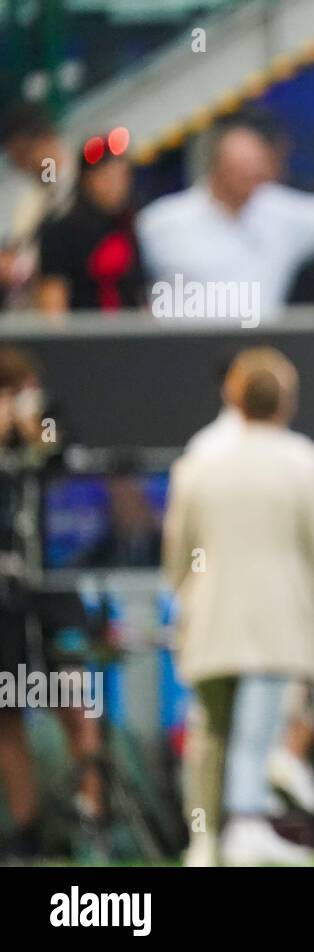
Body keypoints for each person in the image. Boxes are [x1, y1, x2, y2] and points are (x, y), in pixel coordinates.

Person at [164, 347, 314, 866]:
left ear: (233, 397)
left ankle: (205, 841)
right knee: (258, 728)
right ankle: (247, 824)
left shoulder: (197, 462)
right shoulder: (308, 464)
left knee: (212, 730)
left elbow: (176, 556)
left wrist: (188, 601)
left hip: (210, 621)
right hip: (278, 624)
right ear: (287, 402)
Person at [136, 110, 314, 321]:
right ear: (218, 169)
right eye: (241, 171)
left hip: (258, 355)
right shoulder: (161, 223)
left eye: (257, 169)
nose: (253, 179)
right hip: (178, 358)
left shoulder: (277, 211)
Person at [0, 347, 106, 861]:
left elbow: (67, 465)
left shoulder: (51, 421)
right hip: (4, 595)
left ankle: (91, 818)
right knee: (6, 710)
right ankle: (26, 829)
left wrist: (30, 426)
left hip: (56, 587)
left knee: (75, 700)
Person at [36, 135, 145, 316]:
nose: (117, 185)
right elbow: (53, 303)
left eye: (123, 176)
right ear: (87, 179)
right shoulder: (60, 230)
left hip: (129, 337)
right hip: (84, 337)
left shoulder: (129, 226)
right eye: (107, 176)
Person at [0, 105, 76, 311]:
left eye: (25, 155)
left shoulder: (82, 185)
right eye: (16, 161)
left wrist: (18, 268)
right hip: (27, 309)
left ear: (47, 140)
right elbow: (18, 246)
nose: (24, 166)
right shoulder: (31, 196)